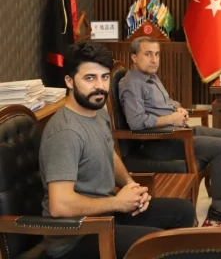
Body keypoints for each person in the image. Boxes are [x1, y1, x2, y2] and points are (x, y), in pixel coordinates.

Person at [40, 41, 195, 259]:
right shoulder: (66, 132)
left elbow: (109, 154)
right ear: (69, 81)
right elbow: (60, 205)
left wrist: (131, 186)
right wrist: (117, 202)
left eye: (104, 77)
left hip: (107, 214)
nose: (100, 86)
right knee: (156, 245)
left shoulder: (98, 112)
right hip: (76, 236)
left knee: (183, 211)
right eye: (89, 78)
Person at [119, 37, 221, 224]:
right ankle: (219, 207)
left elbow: (167, 102)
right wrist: (171, 119)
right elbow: (136, 122)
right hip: (160, 142)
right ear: (134, 57)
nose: (154, 60)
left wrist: (178, 108)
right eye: (148, 54)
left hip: (177, 130)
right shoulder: (131, 84)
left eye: (157, 54)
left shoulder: (151, 76)